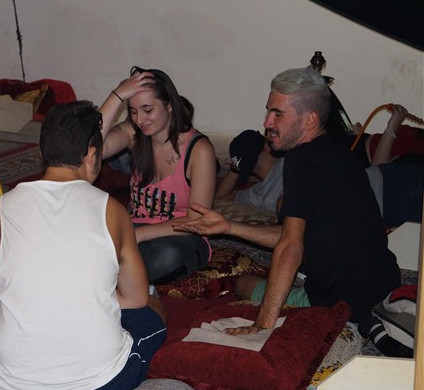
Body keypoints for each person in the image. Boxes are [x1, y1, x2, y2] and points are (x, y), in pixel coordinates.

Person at [173, 67, 400, 333]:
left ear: (309, 119)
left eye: (278, 114)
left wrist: (263, 323)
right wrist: (228, 227)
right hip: (385, 287)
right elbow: (297, 233)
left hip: (341, 304)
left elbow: (291, 245)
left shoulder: (300, 160)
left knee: (243, 284)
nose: (267, 123)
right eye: (268, 112)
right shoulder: (341, 155)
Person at [0, 101, 167, 390]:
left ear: (43, 153)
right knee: (152, 308)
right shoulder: (112, 210)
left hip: (10, 381)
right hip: (101, 381)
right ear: (91, 155)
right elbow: (135, 299)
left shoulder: (4, 206)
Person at [97, 67, 217, 285]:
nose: (140, 119)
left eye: (147, 110)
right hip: (134, 229)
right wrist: (116, 96)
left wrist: (136, 236)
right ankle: (115, 276)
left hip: (180, 236)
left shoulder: (199, 150)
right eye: (133, 111)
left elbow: (196, 220)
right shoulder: (134, 133)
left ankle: (109, 277)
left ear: (169, 105)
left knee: (166, 256)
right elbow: (92, 150)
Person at [221, 105, 423, 226]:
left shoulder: (256, 196)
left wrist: (236, 168)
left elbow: (217, 199)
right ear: (266, 146)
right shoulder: (300, 152)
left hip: (384, 197)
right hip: (392, 182)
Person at [215, 129, 285, 213]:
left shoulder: (258, 195)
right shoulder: (292, 160)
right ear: (266, 147)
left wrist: (235, 170)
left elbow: (219, 200)